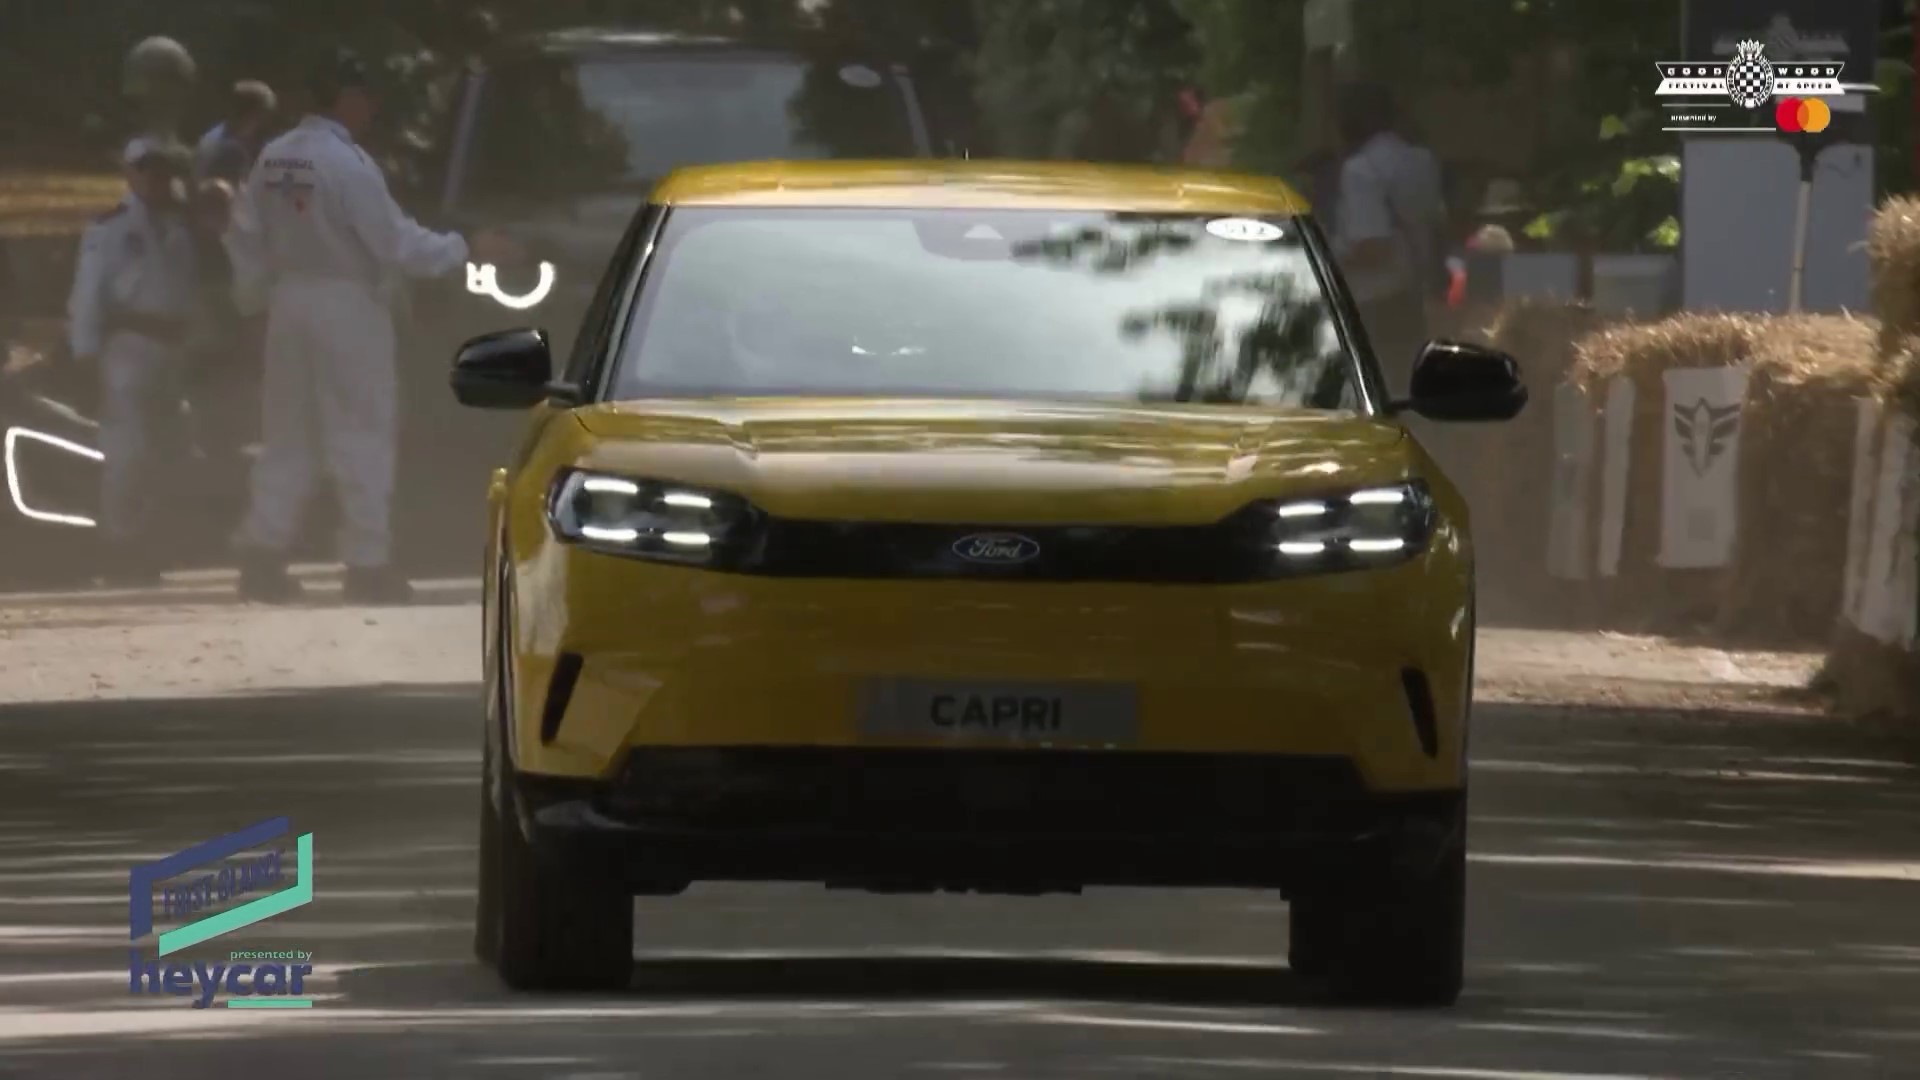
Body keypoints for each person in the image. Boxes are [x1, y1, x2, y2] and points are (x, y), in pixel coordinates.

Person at [226, 48, 516, 604]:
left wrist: (253, 300)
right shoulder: (348, 164)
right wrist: (467, 248)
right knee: (362, 431)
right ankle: (366, 563)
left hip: (288, 304)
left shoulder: (274, 156)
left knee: (288, 435)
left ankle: (262, 555)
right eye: (367, 98)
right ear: (349, 97)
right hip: (347, 304)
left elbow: (244, 236)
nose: (373, 110)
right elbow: (394, 242)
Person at [66, 136, 200, 585]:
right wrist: (84, 355)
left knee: (169, 451)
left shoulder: (183, 224)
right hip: (129, 346)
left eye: (163, 170)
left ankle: (150, 544)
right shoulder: (110, 228)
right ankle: (119, 545)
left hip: (173, 347)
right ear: (130, 172)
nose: (156, 178)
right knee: (127, 453)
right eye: (146, 169)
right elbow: (87, 295)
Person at [1329, 81, 1446, 394]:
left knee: (1379, 394)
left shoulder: (1360, 170)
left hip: (1374, 303)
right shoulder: (1422, 160)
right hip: (1414, 294)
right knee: (1415, 389)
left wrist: (1329, 258)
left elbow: (1373, 247)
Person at [195, 80, 277, 185]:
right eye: (263, 116)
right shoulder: (228, 149)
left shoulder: (217, 135)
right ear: (253, 114)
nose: (265, 123)